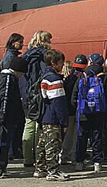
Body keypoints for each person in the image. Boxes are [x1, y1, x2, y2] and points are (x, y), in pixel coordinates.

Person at [0, 57, 28, 179]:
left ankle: (0, 165)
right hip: (6, 117)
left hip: (7, 116)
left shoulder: (4, 78)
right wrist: (2, 116)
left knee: (4, 141)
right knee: (3, 141)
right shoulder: (8, 79)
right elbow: (4, 98)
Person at [34, 49, 69, 181]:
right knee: (53, 145)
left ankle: (40, 168)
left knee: (42, 144)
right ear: (53, 63)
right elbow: (58, 103)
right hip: (53, 117)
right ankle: (53, 171)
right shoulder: (54, 80)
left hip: (44, 115)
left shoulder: (43, 76)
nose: (62, 65)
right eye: (61, 63)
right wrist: (64, 121)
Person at [73, 53, 107, 173]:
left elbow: (74, 96)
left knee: (81, 136)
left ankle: (79, 162)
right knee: (97, 136)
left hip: (83, 110)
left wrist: (79, 107)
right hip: (98, 111)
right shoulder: (103, 76)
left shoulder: (82, 76)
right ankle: (97, 162)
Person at [22, 30, 52, 167]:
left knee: (29, 126)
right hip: (40, 93)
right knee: (40, 127)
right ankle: (38, 158)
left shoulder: (27, 55)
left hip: (28, 94)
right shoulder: (45, 56)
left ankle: (27, 158)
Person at [63, 54, 86, 167]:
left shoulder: (69, 78)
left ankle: (64, 155)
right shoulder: (83, 78)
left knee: (68, 134)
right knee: (77, 135)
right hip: (78, 108)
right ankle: (74, 156)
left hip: (68, 108)